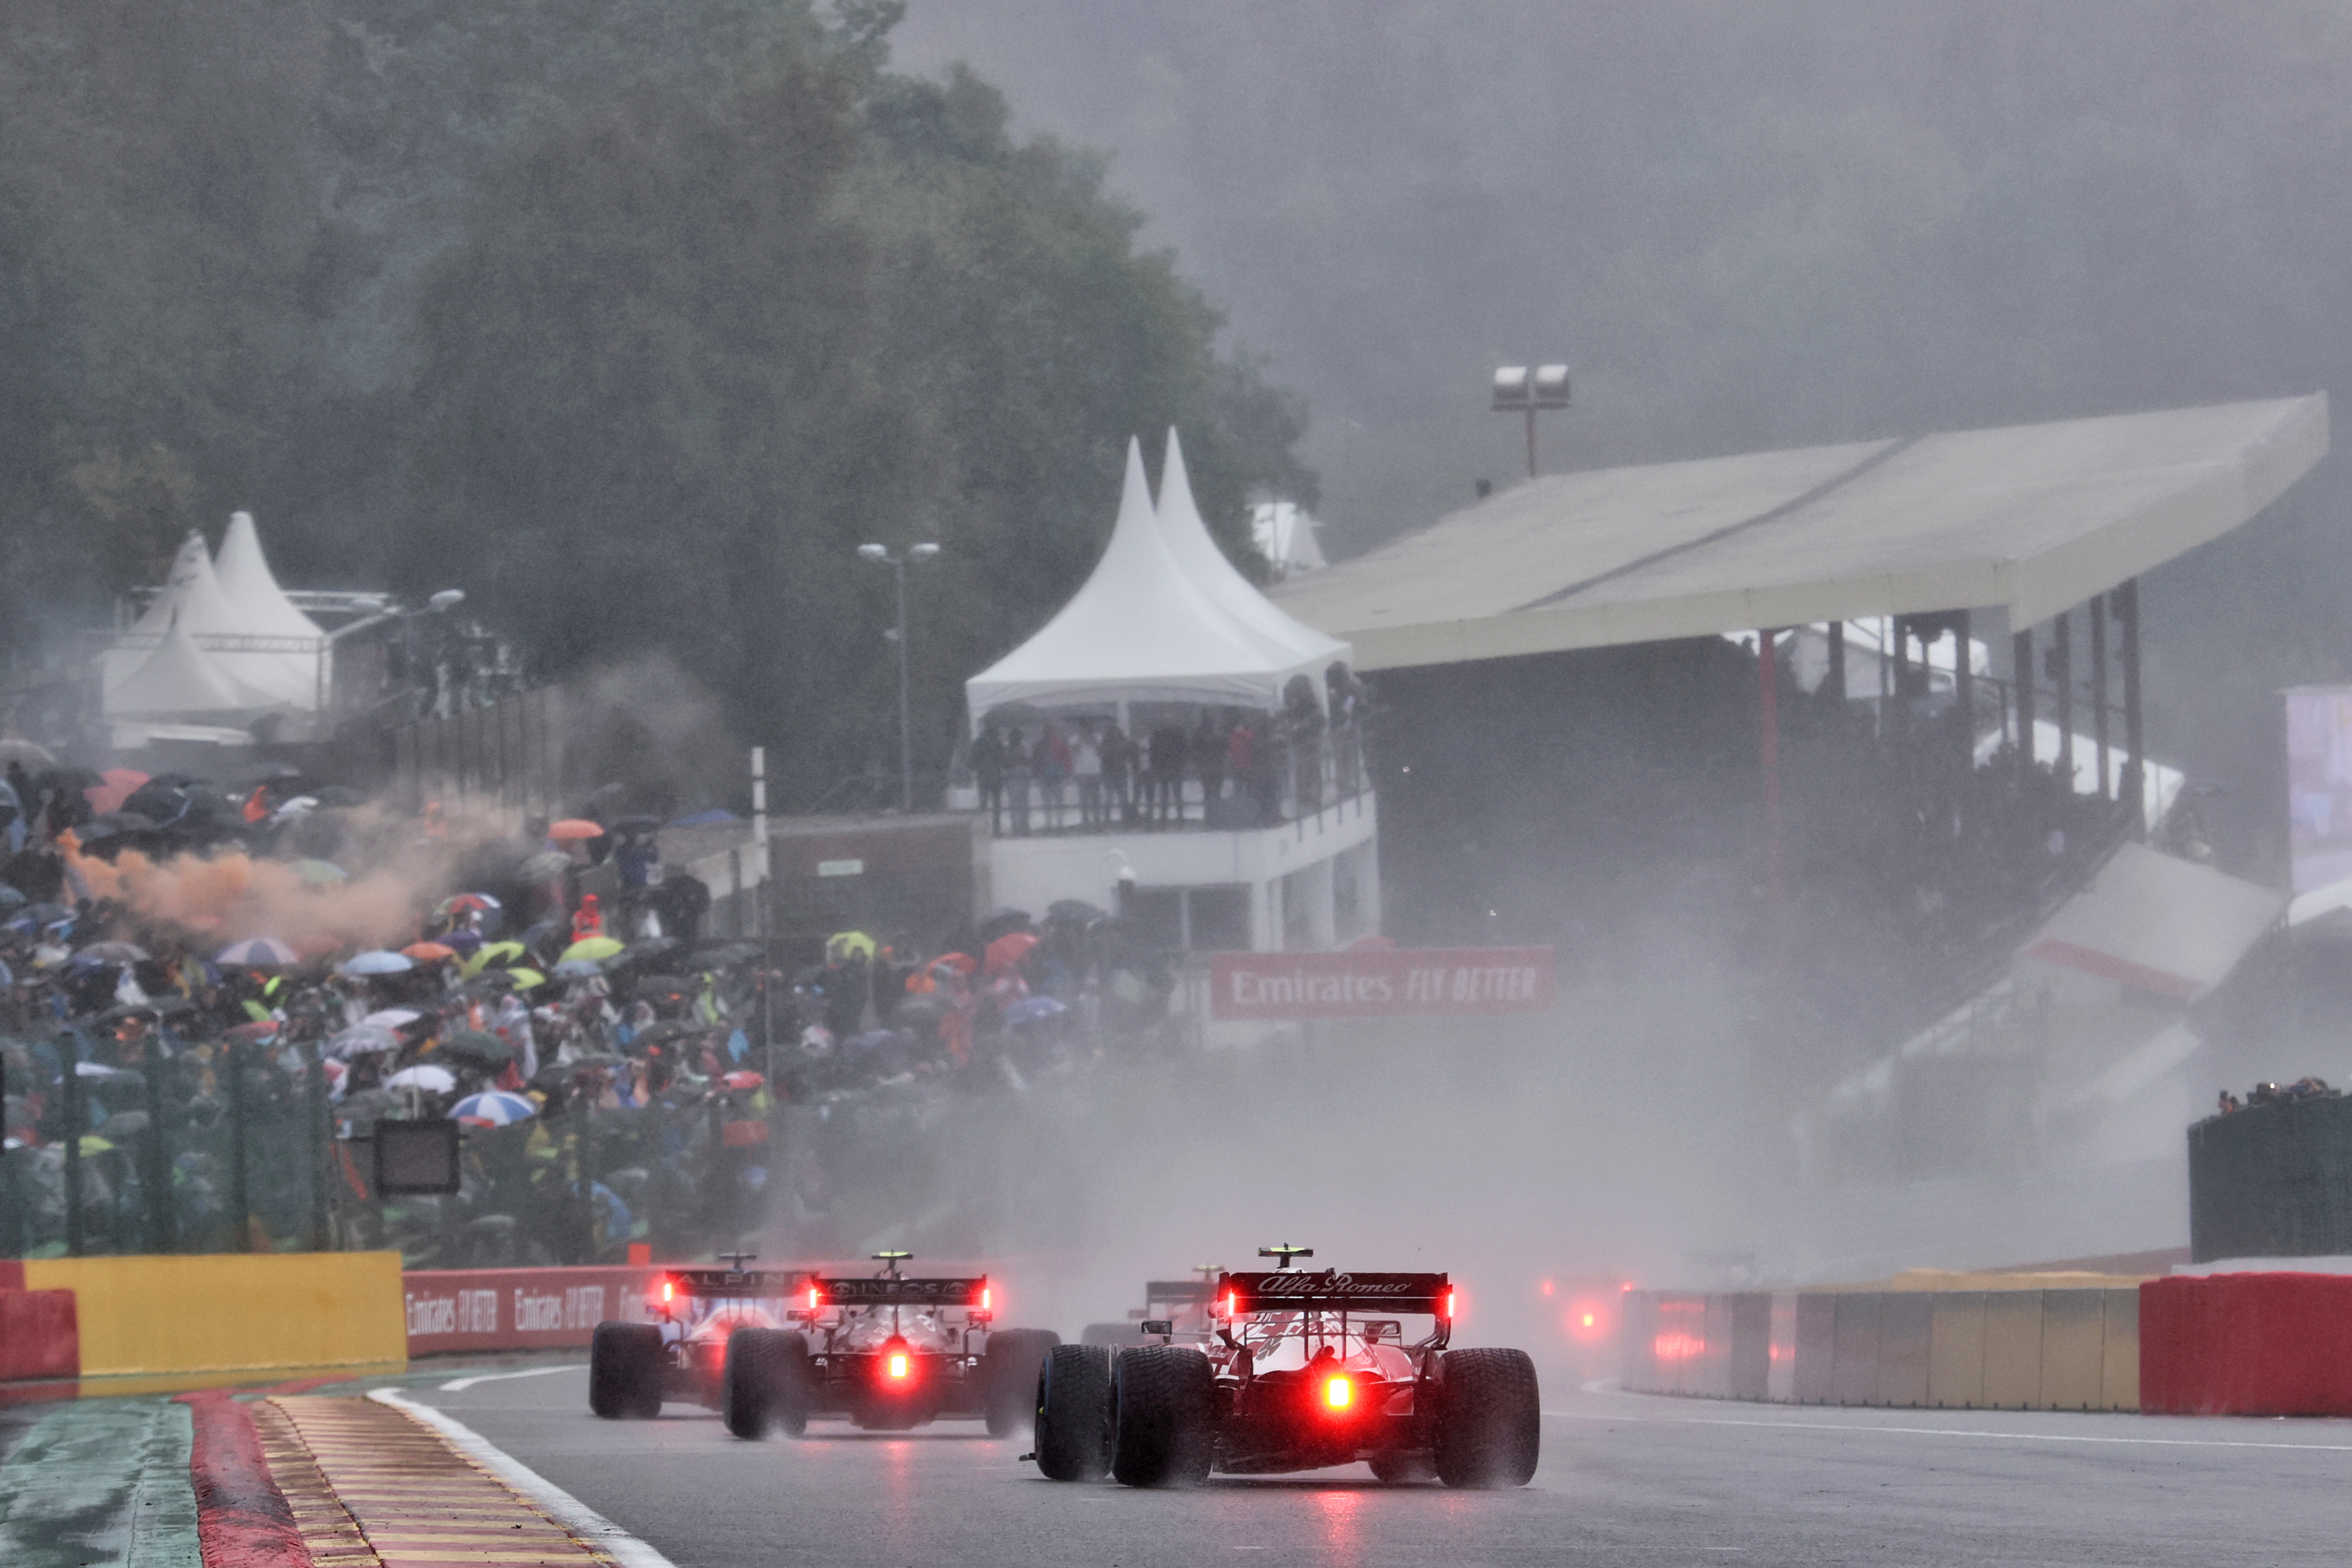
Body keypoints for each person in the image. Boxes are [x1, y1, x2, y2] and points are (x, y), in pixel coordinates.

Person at [1148, 720, 1188, 825]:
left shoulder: (1178, 735)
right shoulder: (1159, 736)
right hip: (1165, 770)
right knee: (1166, 796)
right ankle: (1164, 819)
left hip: (1174, 769)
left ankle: (1179, 818)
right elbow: (1154, 753)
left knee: (1177, 796)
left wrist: (1180, 765)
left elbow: (1184, 751)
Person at [1100, 720, 1135, 825]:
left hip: (1121, 773)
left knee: (1124, 799)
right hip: (1109, 774)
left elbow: (1129, 756)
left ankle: (1126, 820)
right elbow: (1103, 757)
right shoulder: (1106, 743)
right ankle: (1107, 821)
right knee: (1109, 799)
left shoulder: (1124, 743)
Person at [972, 727, 1006, 832]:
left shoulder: (979, 745)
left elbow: (971, 762)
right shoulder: (997, 745)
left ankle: (988, 829)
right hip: (992, 778)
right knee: (992, 805)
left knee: (987, 804)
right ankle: (993, 829)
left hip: (986, 778)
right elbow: (1003, 760)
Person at [1072, 722, 1104, 827]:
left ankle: (1097, 820)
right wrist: (1081, 742)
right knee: (1084, 798)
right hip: (1081, 772)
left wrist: (1094, 742)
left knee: (1096, 798)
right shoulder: (1075, 738)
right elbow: (1072, 752)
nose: (1086, 730)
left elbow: (1101, 752)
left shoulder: (1098, 738)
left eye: (1088, 728)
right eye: (1084, 728)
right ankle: (1085, 820)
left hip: (1095, 771)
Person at [1193, 711, 1226, 810]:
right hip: (1211, 766)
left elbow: (1224, 747)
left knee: (1212, 793)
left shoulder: (1200, 732)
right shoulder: (1202, 732)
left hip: (1212, 766)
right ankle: (1213, 815)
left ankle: (1213, 815)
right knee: (1212, 793)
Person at [1003, 726, 1031, 836]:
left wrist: (1022, 758)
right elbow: (1005, 763)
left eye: (1018, 737)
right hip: (1011, 778)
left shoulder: (1025, 748)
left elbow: (1029, 761)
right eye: (1014, 737)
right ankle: (1015, 826)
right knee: (1014, 803)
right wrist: (1012, 761)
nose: (1016, 739)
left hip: (1023, 777)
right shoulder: (1006, 749)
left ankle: (1024, 826)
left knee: (1024, 803)